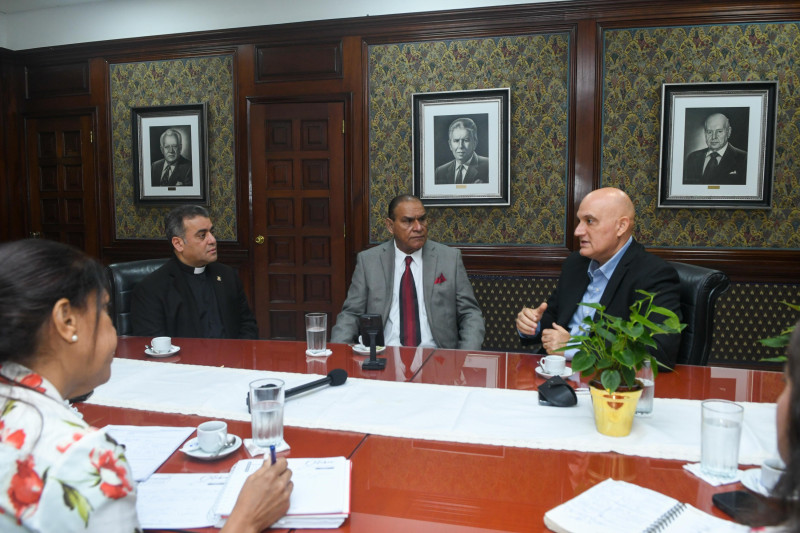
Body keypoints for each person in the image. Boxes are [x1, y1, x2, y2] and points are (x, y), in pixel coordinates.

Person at [0, 239, 292, 532]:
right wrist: (245, 520)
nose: (112, 328)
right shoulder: (83, 457)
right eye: (103, 310)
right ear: (67, 321)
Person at [515, 187, 683, 368]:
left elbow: (660, 351)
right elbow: (555, 320)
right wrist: (533, 324)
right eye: (579, 221)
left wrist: (576, 347)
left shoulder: (653, 274)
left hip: (609, 383)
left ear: (621, 226)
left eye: (589, 221)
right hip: (555, 372)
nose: (578, 231)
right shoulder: (575, 264)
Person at [331, 194, 485, 350]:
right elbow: (351, 315)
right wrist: (337, 355)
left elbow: (470, 314)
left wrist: (466, 357)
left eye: (422, 219)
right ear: (390, 226)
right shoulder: (369, 261)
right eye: (408, 221)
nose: (418, 227)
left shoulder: (449, 259)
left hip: (437, 357)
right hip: (384, 354)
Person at [131, 205, 259, 339]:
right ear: (178, 244)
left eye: (212, 232)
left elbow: (248, 324)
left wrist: (239, 356)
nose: (213, 240)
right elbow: (153, 343)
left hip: (232, 357)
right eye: (202, 235)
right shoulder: (151, 289)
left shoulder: (227, 275)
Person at [683, 113, 747, 185]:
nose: (714, 137)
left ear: (728, 132)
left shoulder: (744, 158)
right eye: (709, 132)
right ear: (705, 133)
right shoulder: (692, 158)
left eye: (719, 131)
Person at [434, 118, 490, 184]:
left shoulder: (489, 166)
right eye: (456, 141)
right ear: (450, 145)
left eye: (466, 140)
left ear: (475, 143)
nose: (460, 146)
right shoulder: (440, 172)